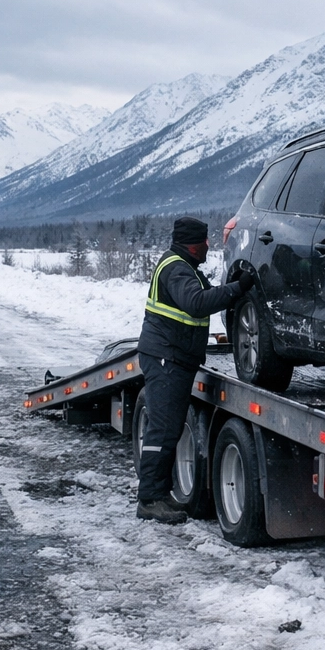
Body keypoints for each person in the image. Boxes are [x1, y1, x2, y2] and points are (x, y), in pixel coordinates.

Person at [134, 216, 256, 523]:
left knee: (168, 428)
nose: (208, 245)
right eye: (204, 240)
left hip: (173, 358)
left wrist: (231, 288)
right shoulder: (176, 268)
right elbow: (197, 303)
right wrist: (237, 288)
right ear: (193, 243)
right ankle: (149, 500)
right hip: (166, 358)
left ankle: (158, 495)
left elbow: (201, 296)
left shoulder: (184, 267)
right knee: (162, 431)